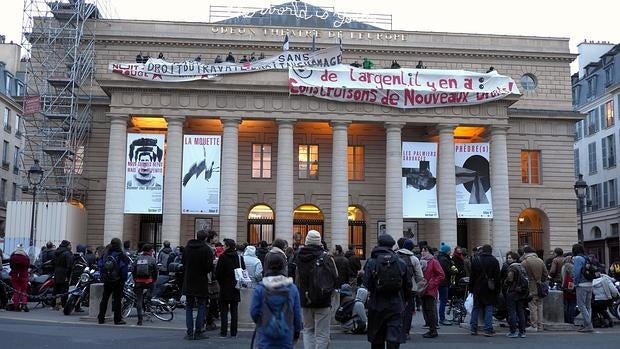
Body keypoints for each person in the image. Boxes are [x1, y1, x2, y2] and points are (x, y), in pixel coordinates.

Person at [363, 234, 412, 348]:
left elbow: (367, 283)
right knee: (393, 338)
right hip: (395, 303)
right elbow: (408, 285)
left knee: (377, 339)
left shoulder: (371, 262)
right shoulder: (400, 262)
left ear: (379, 244)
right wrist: (404, 300)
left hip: (376, 304)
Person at [295, 229, 338, 349]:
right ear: (319, 242)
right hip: (323, 298)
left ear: (307, 241)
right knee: (322, 333)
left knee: (308, 330)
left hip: (305, 298)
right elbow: (335, 277)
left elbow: (296, 277)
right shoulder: (326, 257)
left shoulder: (299, 256)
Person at [250, 252, 302, 349]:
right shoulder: (292, 288)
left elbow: (254, 312)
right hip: (286, 336)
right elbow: (297, 315)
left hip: (265, 337)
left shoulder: (260, 288)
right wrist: (296, 332)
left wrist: (263, 321)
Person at [182, 230, 214, 340]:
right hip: (201, 281)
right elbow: (209, 267)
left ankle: (189, 332)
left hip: (189, 280)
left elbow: (183, 264)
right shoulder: (206, 250)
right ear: (205, 238)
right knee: (201, 306)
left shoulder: (187, 248)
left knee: (189, 307)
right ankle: (198, 331)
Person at [469, 244, 501, 337]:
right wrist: (497, 290)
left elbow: (472, 276)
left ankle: (473, 328)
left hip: (477, 287)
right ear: (490, 251)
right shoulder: (494, 261)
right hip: (489, 288)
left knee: (476, 307)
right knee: (488, 308)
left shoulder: (476, 260)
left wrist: (471, 288)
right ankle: (488, 329)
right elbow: (497, 278)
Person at [215, 238, 244, 338]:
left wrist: (221, 282)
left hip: (224, 286)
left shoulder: (222, 257)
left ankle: (223, 332)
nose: (223, 246)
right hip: (235, 287)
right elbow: (243, 271)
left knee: (223, 311)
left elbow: (217, 273)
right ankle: (234, 332)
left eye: (224, 245)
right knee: (234, 310)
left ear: (227, 246)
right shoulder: (239, 257)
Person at [395, 238, 423, 342]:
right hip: (410, 288)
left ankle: (396, 329)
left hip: (396, 287)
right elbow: (420, 276)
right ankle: (406, 332)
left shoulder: (395, 255)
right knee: (408, 310)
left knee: (397, 308)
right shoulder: (414, 259)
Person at [97, 238, 131, 325]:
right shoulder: (121, 255)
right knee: (117, 300)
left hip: (107, 279)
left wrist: (103, 277)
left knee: (105, 298)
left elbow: (100, 265)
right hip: (118, 280)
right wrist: (124, 279)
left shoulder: (105, 254)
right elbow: (124, 268)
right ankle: (117, 319)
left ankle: (101, 318)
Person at [521, 245, 548, 332]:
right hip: (539, 287)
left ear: (525, 253)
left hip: (530, 286)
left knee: (532, 306)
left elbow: (522, 276)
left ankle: (534, 325)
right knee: (540, 306)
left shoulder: (524, 262)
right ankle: (540, 326)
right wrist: (540, 280)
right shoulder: (540, 260)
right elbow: (545, 274)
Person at [419, 245, 444, 338]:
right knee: (425, 310)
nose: (422, 252)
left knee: (430, 310)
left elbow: (441, 275)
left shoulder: (434, 262)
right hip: (422, 289)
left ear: (429, 252)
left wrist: (432, 283)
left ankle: (433, 330)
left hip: (430, 289)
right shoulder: (421, 262)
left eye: (424, 251)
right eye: (422, 251)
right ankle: (430, 329)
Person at [503, 251, 528, 338]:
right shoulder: (522, 267)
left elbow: (510, 279)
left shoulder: (512, 268)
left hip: (512, 291)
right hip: (521, 292)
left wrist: (505, 282)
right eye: (508, 258)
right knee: (520, 312)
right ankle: (522, 331)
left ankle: (513, 331)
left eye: (510, 258)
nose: (508, 259)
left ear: (514, 259)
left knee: (512, 312)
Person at [132, 244, 158, 326]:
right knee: (151, 292)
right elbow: (155, 271)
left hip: (138, 282)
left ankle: (140, 319)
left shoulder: (137, 258)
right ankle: (148, 302)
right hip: (149, 281)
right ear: (150, 251)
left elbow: (133, 270)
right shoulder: (152, 259)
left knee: (139, 300)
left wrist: (135, 279)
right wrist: (153, 280)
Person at [572, 243, 594, 332]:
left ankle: (588, 325)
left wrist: (575, 283)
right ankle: (586, 324)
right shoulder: (586, 257)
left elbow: (576, 272)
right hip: (590, 283)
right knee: (588, 306)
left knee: (581, 305)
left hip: (581, 284)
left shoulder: (577, 258)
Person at [436, 242, 455, 326]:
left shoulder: (440, 257)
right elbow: (449, 270)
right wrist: (454, 270)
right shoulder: (444, 259)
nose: (450, 251)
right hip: (443, 282)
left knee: (442, 301)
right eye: (449, 250)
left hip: (441, 281)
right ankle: (442, 318)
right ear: (447, 251)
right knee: (443, 300)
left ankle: (441, 317)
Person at [8, 244, 30, 312]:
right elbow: (28, 266)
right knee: (24, 291)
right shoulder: (26, 257)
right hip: (23, 275)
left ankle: (16, 305)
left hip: (14, 275)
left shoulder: (13, 256)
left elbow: (11, 266)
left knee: (16, 291)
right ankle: (24, 304)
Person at [53, 240, 73, 309]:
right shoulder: (67, 253)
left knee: (56, 288)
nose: (71, 247)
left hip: (56, 271)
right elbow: (69, 265)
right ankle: (63, 304)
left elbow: (52, 262)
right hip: (64, 272)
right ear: (67, 246)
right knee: (64, 289)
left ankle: (54, 304)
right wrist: (68, 275)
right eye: (70, 245)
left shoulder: (56, 252)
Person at [561, 255, 577, 324]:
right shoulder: (573, 266)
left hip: (564, 287)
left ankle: (566, 319)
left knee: (566, 304)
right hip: (571, 287)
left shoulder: (563, 267)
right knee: (572, 304)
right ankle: (571, 319)